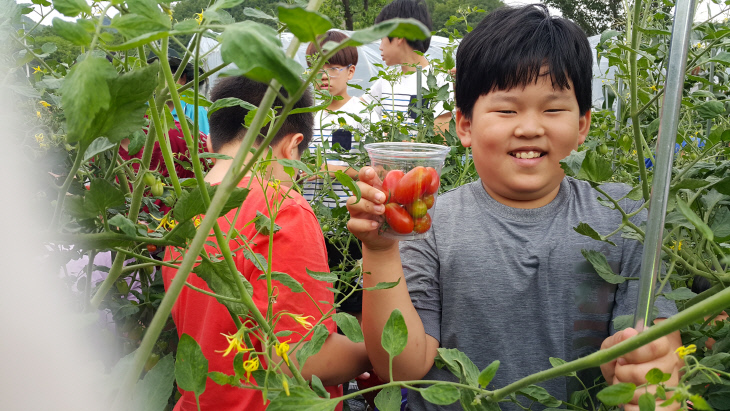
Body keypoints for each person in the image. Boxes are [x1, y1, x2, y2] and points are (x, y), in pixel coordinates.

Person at [346, 5, 681, 411]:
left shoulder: (623, 216)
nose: (529, 127)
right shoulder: (428, 224)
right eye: (506, 109)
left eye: (553, 109)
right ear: (464, 126)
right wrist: (380, 251)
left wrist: (646, 365)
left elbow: (655, 335)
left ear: (583, 125)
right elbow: (402, 366)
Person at [162, 76, 370, 410]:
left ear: (213, 143)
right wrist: (372, 354)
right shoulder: (281, 209)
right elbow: (299, 359)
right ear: (292, 146)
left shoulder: (185, 214)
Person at [362, 0, 452, 132]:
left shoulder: (439, 81)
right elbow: (356, 107)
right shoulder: (387, 80)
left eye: (382, 38)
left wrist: (393, 145)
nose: (380, 47)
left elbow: (441, 138)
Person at [303, 30, 367, 209]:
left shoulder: (363, 114)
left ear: (350, 72)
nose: (323, 75)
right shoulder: (307, 116)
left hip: (346, 221)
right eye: (317, 68)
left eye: (333, 69)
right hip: (310, 217)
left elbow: (379, 171)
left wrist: (335, 170)